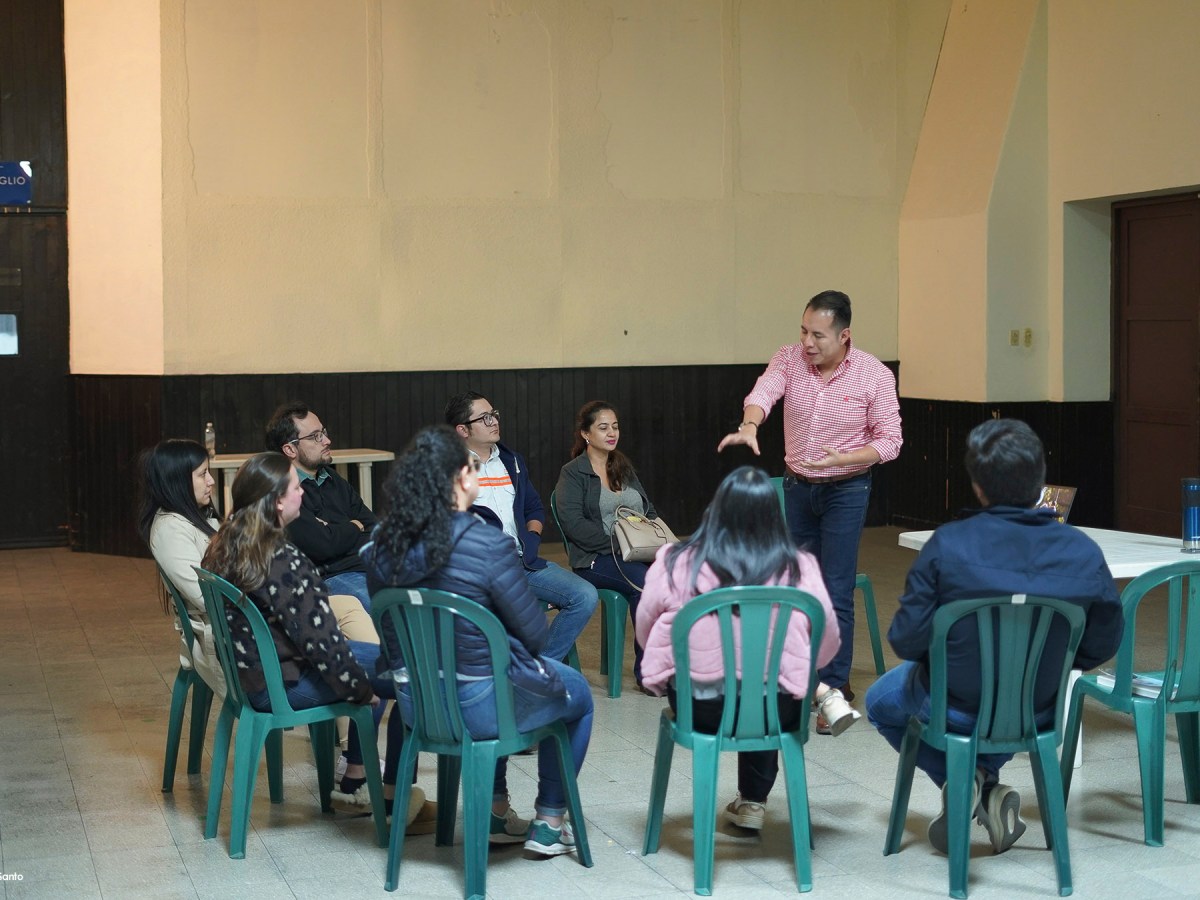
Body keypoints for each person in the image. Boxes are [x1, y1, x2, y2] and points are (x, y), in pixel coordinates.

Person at [865, 419, 1123, 855]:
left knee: (878, 704)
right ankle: (983, 786)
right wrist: (1049, 665)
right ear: (1040, 480)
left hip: (956, 707)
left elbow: (907, 640)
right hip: (1038, 709)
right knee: (1005, 707)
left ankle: (966, 782)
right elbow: (1103, 643)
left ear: (978, 486)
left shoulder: (949, 545)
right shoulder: (1082, 550)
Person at [363, 426, 594, 858]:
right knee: (574, 694)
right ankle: (549, 819)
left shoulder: (381, 547)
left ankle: (494, 811)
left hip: (420, 706)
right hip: (482, 708)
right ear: (461, 480)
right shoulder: (486, 543)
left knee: (495, 668)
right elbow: (531, 634)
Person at [201, 452, 434, 831]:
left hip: (257, 673)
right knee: (411, 679)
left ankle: (359, 782)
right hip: (283, 681)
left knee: (394, 660)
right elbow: (322, 644)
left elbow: (316, 640)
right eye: (296, 488)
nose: (303, 496)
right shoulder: (281, 557)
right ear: (277, 500)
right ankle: (394, 801)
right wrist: (360, 691)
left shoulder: (227, 542)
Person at [637, 466, 857, 830]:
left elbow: (645, 630)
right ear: (776, 514)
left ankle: (750, 803)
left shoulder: (676, 560)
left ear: (716, 508)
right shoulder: (798, 567)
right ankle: (753, 801)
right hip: (776, 707)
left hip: (699, 708)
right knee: (767, 689)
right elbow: (826, 641)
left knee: (754, 687)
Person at [717, 289, 902, 719]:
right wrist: (749, 424)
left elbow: (891, 442)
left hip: (847, 490)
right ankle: (802, 682)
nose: (807, 343)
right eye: (803, 331)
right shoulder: (789, 359)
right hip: (797, 488)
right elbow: (764, 391)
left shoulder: (873, 375)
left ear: (844, 335)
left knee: (836, 589)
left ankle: (834, 691)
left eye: (818, 335)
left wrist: (846, 458)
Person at [445, 391, 599, 662]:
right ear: (462, 430)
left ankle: (540, 667)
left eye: (494, 414)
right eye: (484, 418)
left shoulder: (511, 461)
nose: (494, 421)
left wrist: (532, 537)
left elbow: (534, 508)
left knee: (585, 595)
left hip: (523, 562)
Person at [555, 400, 658, 688]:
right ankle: (650, 674)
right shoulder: (573, 473)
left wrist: (653, 541)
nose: (612, 433)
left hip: (635, 553)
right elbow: (573, 525)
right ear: (586, 434)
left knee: (677, 577)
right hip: (595, 557)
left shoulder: (622, 466)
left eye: (615, 426)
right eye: (603, 427)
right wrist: (618, 546)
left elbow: (648, 510)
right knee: (645, 585)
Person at [265, 401, 377, 611]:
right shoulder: (284, 491)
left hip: (368, 567)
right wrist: (353, 526)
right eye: (315, 436)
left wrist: (335, 531)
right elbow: (322, 546)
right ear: (290, 449)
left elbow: (372, 526)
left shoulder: (332, 478)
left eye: (323, 432)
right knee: (388, 612)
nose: (327, 440)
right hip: (328, 579)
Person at [137, 439, 224, 697]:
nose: (211, 481)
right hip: (222, 636)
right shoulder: (171, 530)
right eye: (202, 474)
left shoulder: (196, 516)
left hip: (231, 620)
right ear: (178, 482)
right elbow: (207, 596)